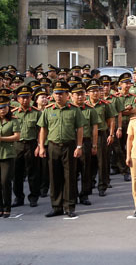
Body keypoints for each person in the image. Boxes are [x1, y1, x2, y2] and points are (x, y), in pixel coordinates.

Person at [37, 80, 87, 218]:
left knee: (69, 176)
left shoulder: (74, 110)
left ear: (67, 95)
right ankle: (56, 206)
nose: (58, 96)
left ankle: (69, 206)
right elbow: (43, 129)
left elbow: (80, 129)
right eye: (56, 94)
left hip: (69, 146)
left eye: (61, 94)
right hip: (53, 146)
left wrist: (79, 146)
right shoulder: (48, 110)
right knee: (54, 177)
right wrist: (41, 146)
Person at [12, 85, 42, 208]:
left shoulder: (37, 113)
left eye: (27, 97)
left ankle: (33, 197)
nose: (25, 100)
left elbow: (41, 130)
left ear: (31, 98)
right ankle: (18, 197)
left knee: (33, 173)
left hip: (31, 144)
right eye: (22, 98)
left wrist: (39, 145)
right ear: (18, 99)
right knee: (16, 173)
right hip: (16, 145)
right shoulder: (13, 113)